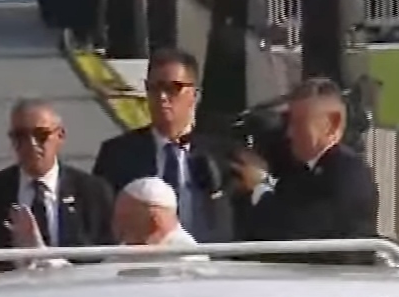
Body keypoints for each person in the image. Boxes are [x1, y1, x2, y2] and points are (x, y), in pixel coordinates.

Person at [92, 48, 233, 244]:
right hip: (144, 265)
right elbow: (101, 223)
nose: (163, 97)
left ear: (195, 94)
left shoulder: (224, 154)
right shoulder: (117, 154)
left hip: (212, 265)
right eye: (155, 88)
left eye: (173, 88)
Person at [234, 78, 379, 244]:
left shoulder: (349, 175)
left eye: (298, 124)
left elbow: (298, 232)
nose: (289, 133)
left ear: (332, 124)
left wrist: (259, 187)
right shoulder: (309, 168)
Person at [0, 99, 113, 254]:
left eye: (41, 135)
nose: (32, 144)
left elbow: (106, 254)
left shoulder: (92, 191)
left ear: (60, 136)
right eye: (20, 136)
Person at [113, 177, 198, 247]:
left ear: (155, 221)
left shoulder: (185, 256)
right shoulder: (125, 251)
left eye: (126, 218)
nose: (117, 227)